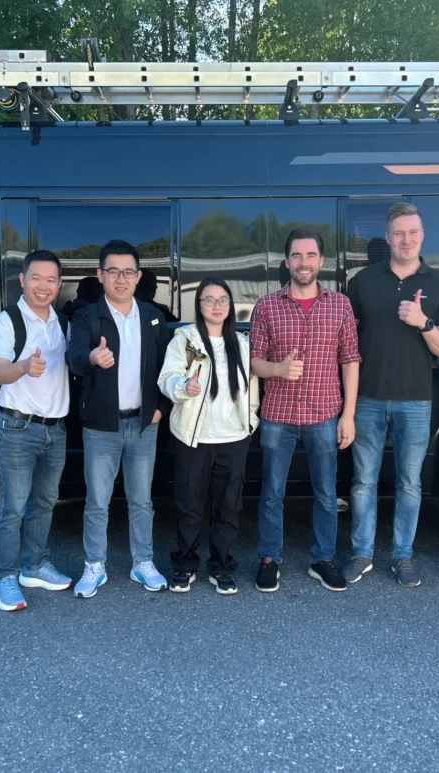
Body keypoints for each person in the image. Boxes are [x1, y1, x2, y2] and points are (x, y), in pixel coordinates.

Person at [343, 203, 439, 588]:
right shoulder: (363, 281)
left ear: (422, 237)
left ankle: (402, 556)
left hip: (415, 400)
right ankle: (362, 554)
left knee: (410, 482)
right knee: (363, 481)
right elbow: (347, 343)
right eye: (399, 233)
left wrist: (422, 322)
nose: (406, 240)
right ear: (388, 238)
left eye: (412, 233)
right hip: (368, 397)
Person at [250, 228, 361, 592]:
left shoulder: (340, 305)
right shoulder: (267, 306)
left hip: (324, 414)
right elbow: (254, 361)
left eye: (310, 255)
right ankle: (270, 559)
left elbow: (350, 360)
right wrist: (278, 369)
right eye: (296, 255)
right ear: (287, 261)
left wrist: (348, 415)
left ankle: (322, 559)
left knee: (326, 493)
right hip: (278, 415)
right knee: (272, 493)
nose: (303, 262)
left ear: (320, 261)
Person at [67, 239, 172, 597]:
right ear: (100, 275)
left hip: (143, 424)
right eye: (113, 271)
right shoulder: (87, 316)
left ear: (138, 276)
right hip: (101, 425)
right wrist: (92, 359)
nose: (121, 279)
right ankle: (94, 565)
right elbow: (74, 357)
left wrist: (161, 407)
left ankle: (143, 562)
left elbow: (167, 368)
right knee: (97, 502)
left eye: (128, 272)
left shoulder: (153, 316)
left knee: (141, 500)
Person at [158, 279, 259, 595]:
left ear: (230, 305)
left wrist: (250, 421)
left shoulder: (242, 343)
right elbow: (167, 378)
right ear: (198, 304)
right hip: (194, 437)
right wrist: (183, 387)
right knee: (189, 504)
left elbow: (252, 390)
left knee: (228, 506)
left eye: (223, 299)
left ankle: (221, 565)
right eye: (209, 299)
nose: (217, 306)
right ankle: (185, 565)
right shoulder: (185, 340)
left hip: (234, 437)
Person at [0, 249, 73, 611]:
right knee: (13, 507)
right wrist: (23, 366)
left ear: (59, 284)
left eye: (51, 279)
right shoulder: (7, 321)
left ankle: (35, 566)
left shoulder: (63, 322)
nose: (43, 286)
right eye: (36, 278)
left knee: (44, 503)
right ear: (22, 280)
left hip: (56, 429)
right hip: (17, 428)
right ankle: (4, 577)